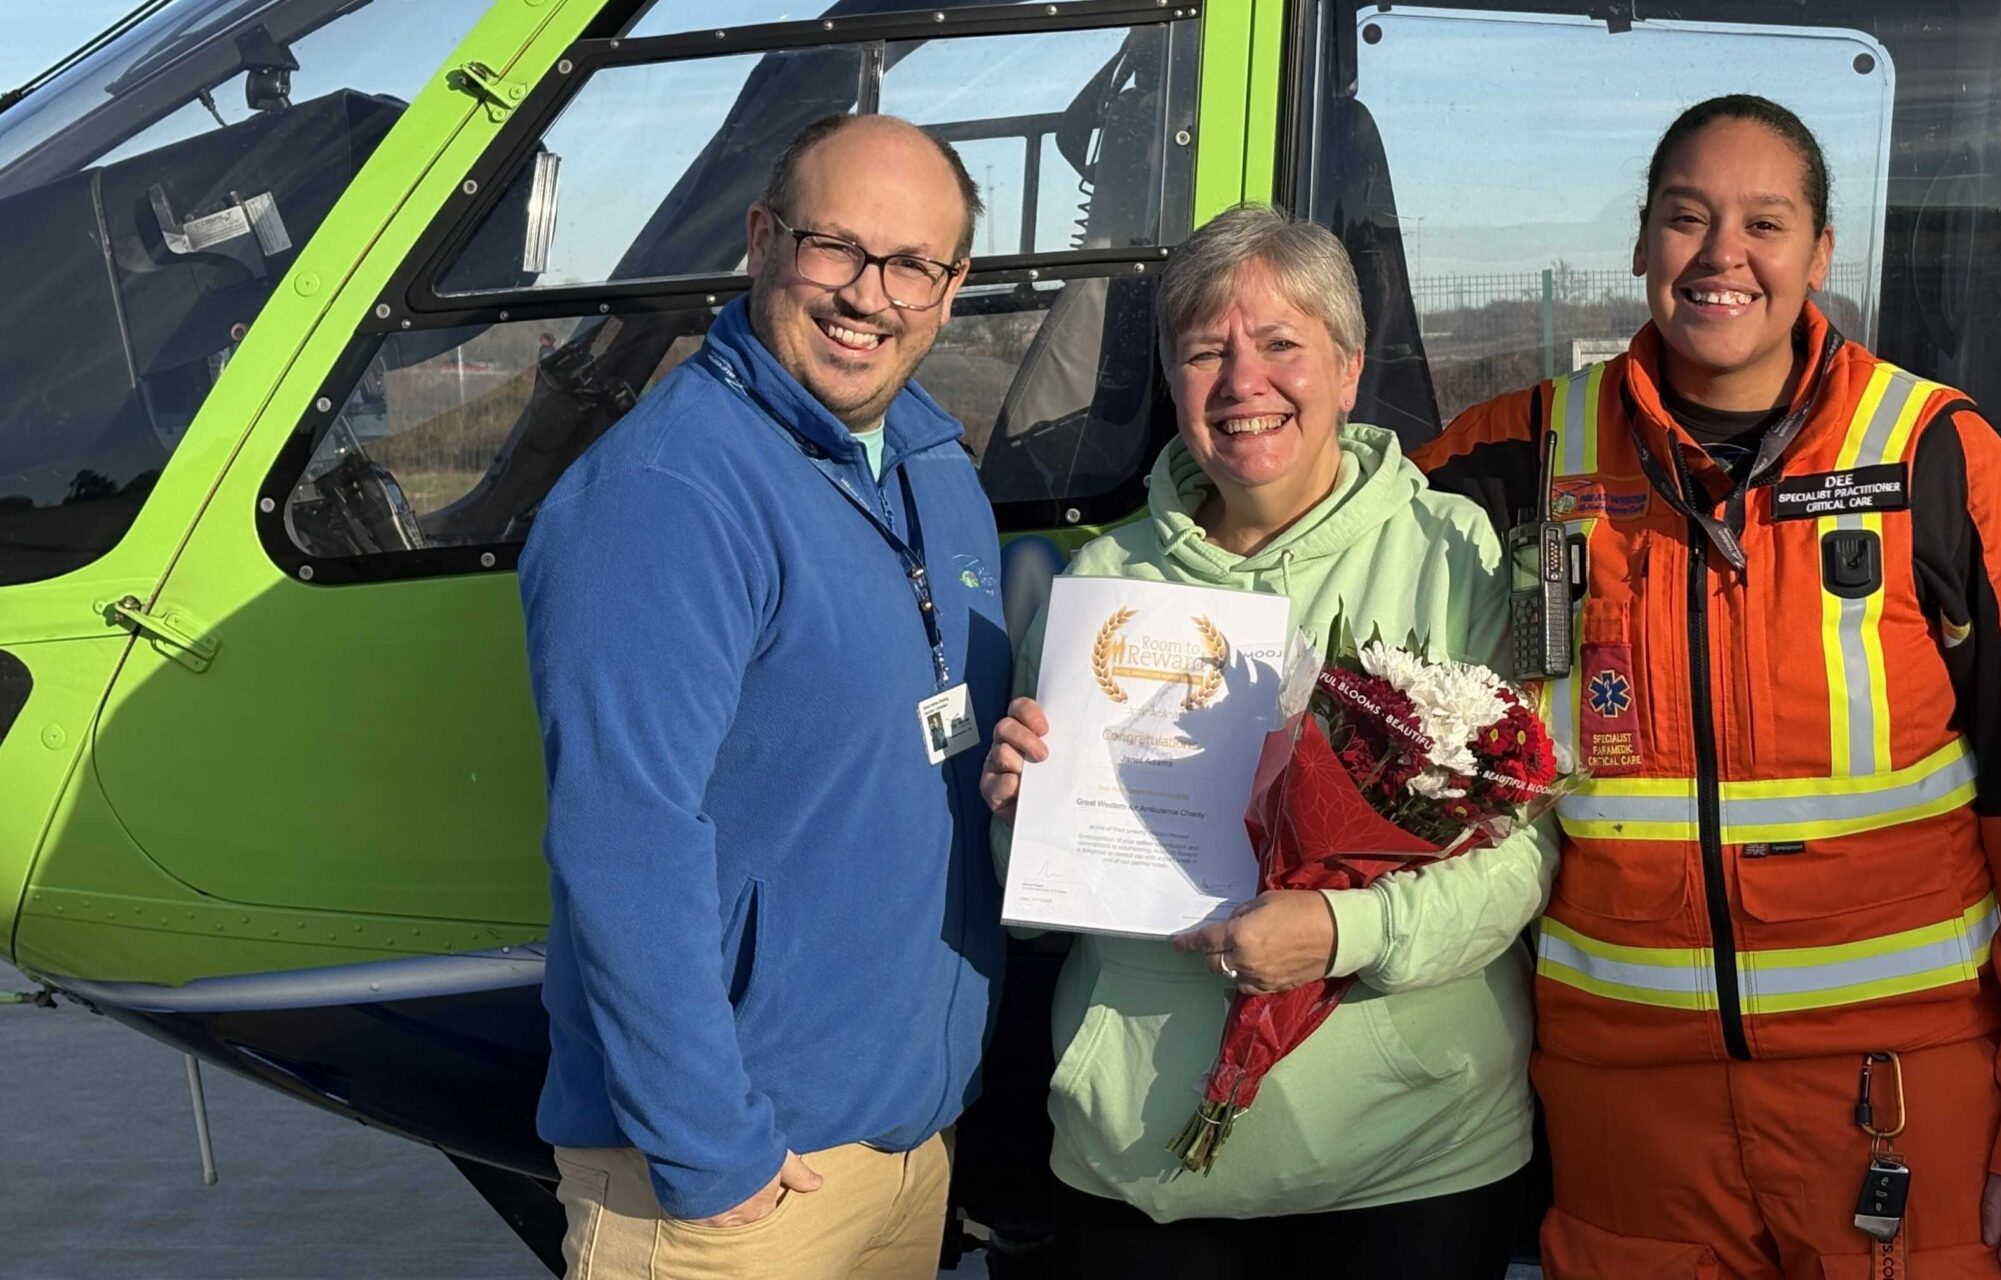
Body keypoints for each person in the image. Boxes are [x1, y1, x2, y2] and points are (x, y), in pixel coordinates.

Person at [1415, 95, 2001, 1279]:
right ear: (1643, 242)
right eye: (1687, 218)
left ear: (1819, 253)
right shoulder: (1517, 456)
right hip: (1626, 1125)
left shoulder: (1936, 460)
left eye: (1764, 222)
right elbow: (1321, 537)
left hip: (1899, 1109)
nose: (1721, 256)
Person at [976, 205, 1557, 1280]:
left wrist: (1341, 931)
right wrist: (1020, 814)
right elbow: (1037, 898)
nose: (1243, 381)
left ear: (1346, 369)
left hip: (1411, 1154)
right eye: (1205, 351)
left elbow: (1520, 857)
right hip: (1143, 1146)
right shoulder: (1106, 577)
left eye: (1281, 344)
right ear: (1174, 381)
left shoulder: (1454, 552)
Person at [518, 113, 1008, 1279]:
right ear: (761, 240)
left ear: (952, 287)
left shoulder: (933, 465)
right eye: (832, 246)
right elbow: (624, 839)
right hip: (735, 1182)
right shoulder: (667, 494)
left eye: (910, 265)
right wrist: (712, 1151)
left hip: (901, 1147)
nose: (867, 296)